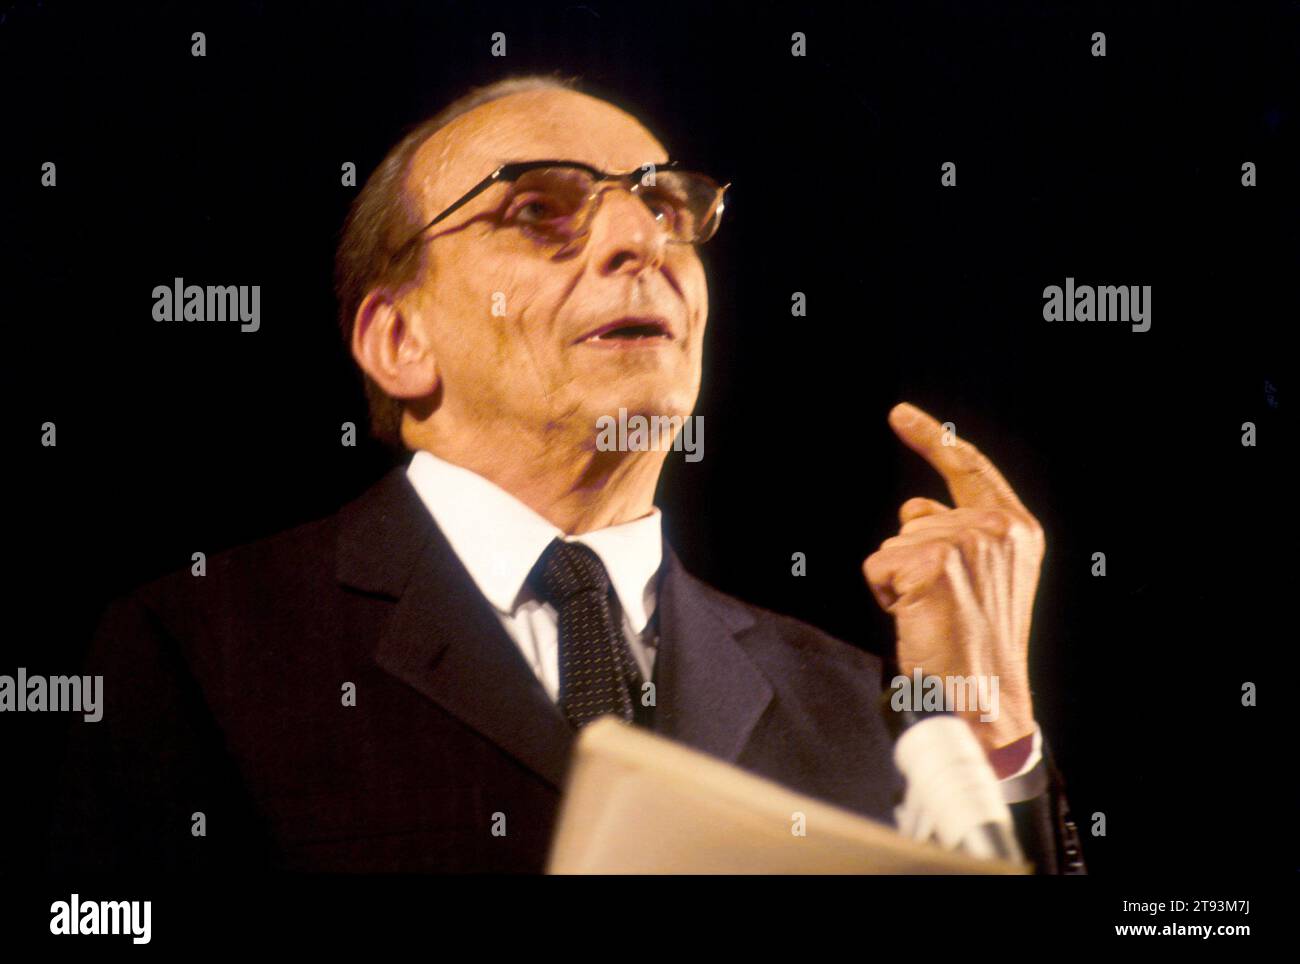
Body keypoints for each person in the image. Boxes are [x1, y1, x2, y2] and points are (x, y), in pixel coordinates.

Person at [49, 74, 1083, 874]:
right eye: (538, 211)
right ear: (400, 339)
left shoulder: (869, 707)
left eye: (669, 208)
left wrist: (989, 735)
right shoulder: (197, 647)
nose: (642, 240)